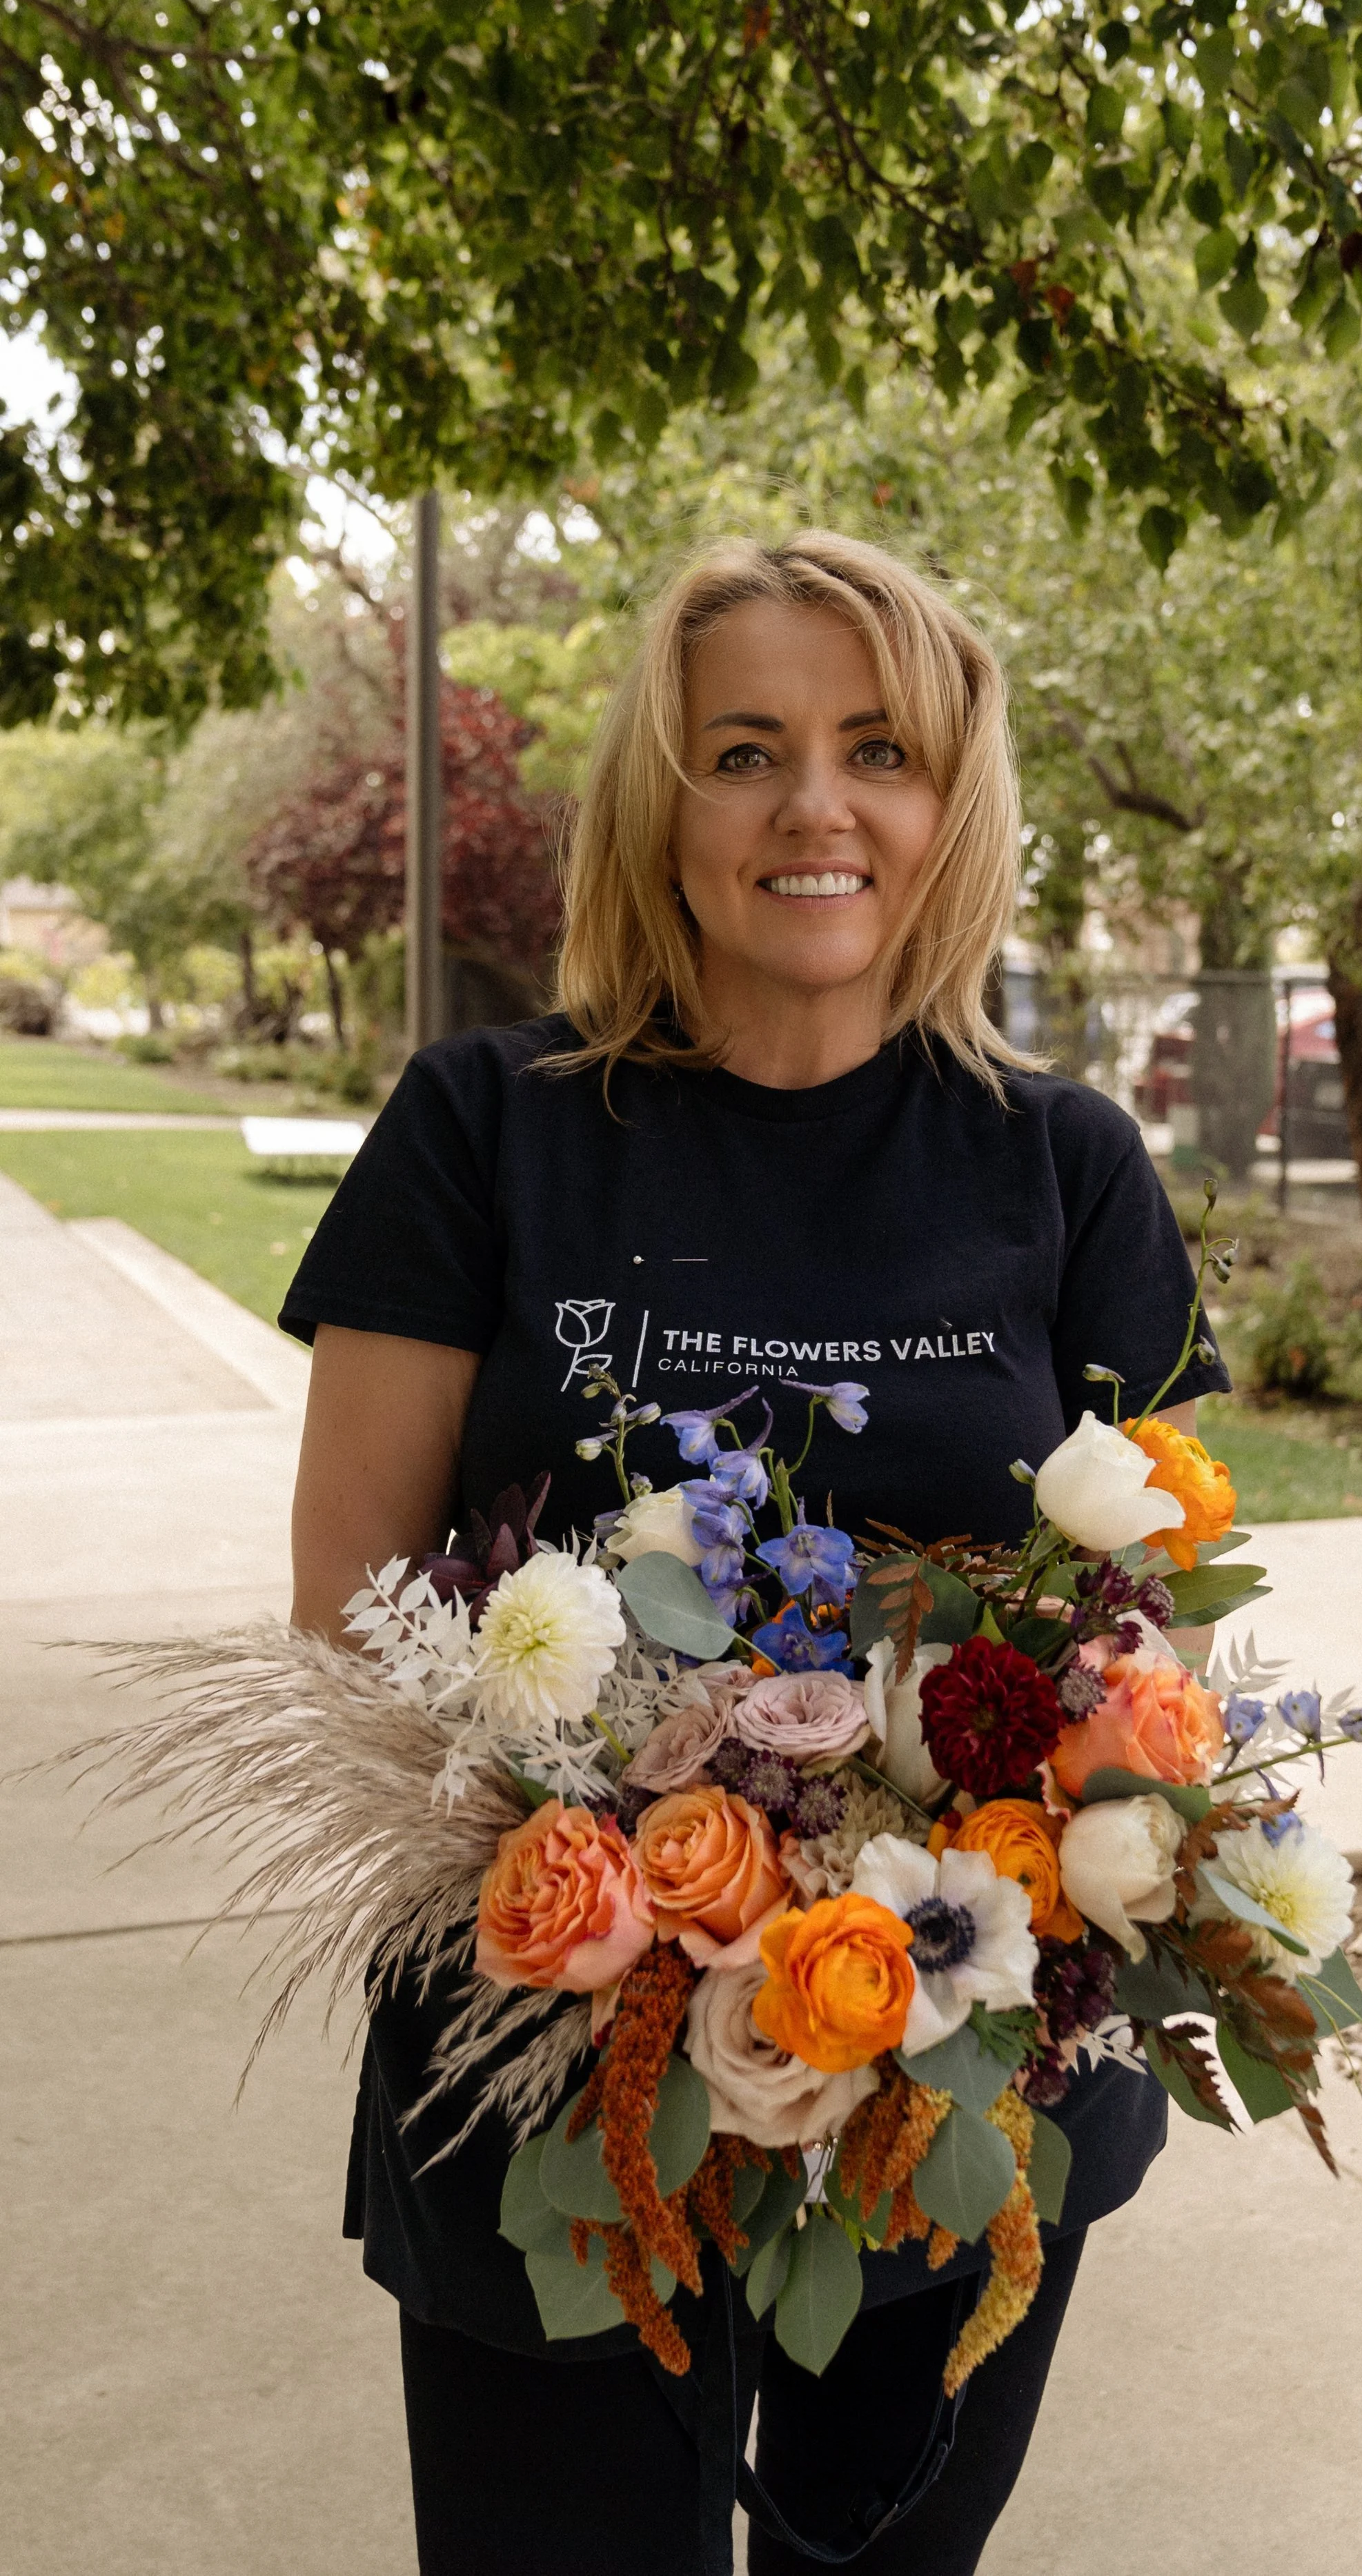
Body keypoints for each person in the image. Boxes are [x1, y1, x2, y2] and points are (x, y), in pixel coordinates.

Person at [283, 531, 1230, 2575]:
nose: (817, 804)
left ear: (946, 800)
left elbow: (1148, 1657)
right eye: (746, 749)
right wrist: (640, 1911)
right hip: (549, 2069)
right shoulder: (486, 1126)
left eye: (876, 747)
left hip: (954, 2089)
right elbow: (349, 1625)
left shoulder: (1062, 1166)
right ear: (663, 799)